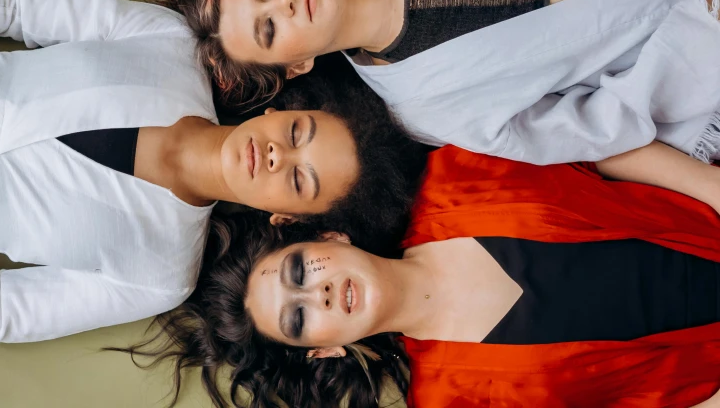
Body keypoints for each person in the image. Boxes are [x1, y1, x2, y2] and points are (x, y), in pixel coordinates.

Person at [0, 0, 423, 345]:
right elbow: (10, 2)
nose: (279, 156)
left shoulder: (160, 275)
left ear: (290, 219)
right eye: (298, 132)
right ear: (273, 113)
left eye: (301, 180)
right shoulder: (166, 41)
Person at [115, 161, 720, 407]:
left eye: (298, 272)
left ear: (329, 239)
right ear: (323, 349)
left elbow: (605, 148)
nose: (315, 294)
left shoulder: (454, 174)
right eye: (297, 318)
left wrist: (710, 187)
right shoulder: (449, 399)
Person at [134, 0, 720, 166]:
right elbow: (591, 127)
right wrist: (702, 27)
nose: (281, 3)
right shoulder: (424, 106)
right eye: (267, 29)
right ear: (296, 63)